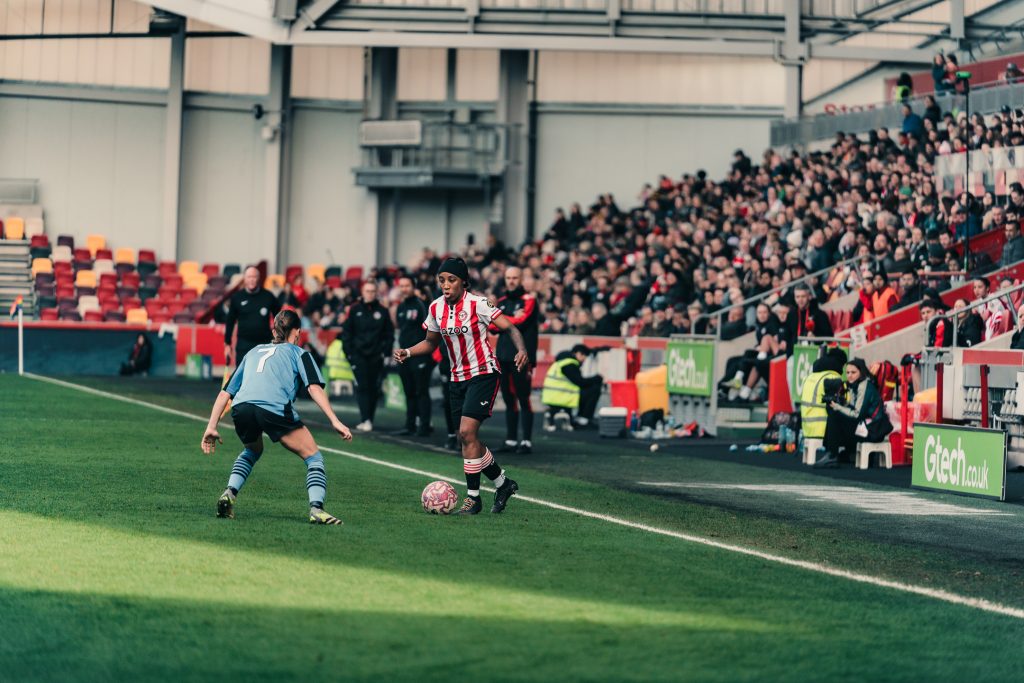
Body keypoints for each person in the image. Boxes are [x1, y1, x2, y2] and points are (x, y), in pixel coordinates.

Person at [393, 257, 528, 515]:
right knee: (466, 438)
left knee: (467, 432)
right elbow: (430, 342)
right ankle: (503, 484)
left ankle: (473, 499)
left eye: (451, 280)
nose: (445, 285)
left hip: (483, 373)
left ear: (463, 282)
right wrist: (408, 352)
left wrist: (521, 350)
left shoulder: (479, 304)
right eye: (441, 280)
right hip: (457, 378)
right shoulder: (435, 307)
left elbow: (510, 328)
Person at [201, 309, 353, 525]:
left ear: (274, 331)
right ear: (297, 332)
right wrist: (334, 421)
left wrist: (211, 426)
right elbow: (314, 388)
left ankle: (229, 493)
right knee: (314, 457)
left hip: (242, 408)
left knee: (252, 449)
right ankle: (317, 509)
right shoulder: (299, 353)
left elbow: (226, 393)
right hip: (273, 408)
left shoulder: (253, 351)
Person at [493, 266, 539, 454]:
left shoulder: (529, 300)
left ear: (521, 279)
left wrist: (502, 319)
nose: (511, 281)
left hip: (522, 357)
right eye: (508, 277)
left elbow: (522, 321)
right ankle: (511, 440)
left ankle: (526, 441)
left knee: (523, 397)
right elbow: (492, 326)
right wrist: (510, 319)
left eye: (514, 278)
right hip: (503, 356)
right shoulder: (502, 301)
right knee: (508, 398)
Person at [814, 358, 892, 468]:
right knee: (834, 413)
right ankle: (834, 453)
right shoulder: (855, 385)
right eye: (847, 373)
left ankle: (832, 455)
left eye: (853, 372)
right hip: (864, 428)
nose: (849, 376)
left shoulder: (865, 386)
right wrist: (841, 403)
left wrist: (838, 407)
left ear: (861, 372)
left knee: (835, 415)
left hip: (873, 431)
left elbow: (857, 414)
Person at [341, 280, 394, 432]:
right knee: (362, 386)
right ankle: (365, 419)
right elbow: (347, 333)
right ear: (362, 292)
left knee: (374, 388)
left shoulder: (383, 311)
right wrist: (349, 353)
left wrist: (386, 353)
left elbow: (389, 334)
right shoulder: (354, 310)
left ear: (376, 293)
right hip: (358, 356)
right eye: (367, 291)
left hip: (376, 356)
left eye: (372, 291)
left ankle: (369, 418)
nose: (370, 294)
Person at [394, 276, 434, 437]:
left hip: (420, 355)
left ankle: (424, 425)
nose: (404, 289)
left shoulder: (421, 305)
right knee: (409, 391)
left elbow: (429, 330)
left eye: (407, 285)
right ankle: (410, 425)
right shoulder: (400, 307)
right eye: (401, 286)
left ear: (413, 287)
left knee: (421, 391)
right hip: (404, 355)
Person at [224, 266, 281, 367]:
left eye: (254, 277)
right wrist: (227, 344)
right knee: (243, 374)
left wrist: (279, 339)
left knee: (263, 374)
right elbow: (230, 322)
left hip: (264, 345)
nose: (252, 279)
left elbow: (280, 319)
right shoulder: (237, 297)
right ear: (244, 279)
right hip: (243, 345)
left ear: (258, 278)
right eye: (249, 277)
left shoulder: (268, 296)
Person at [541, 344, 603, 429]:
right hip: (560, 397)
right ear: (578, 353)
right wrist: (596, 379)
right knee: (594, 389)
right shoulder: (569, 364)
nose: (584, 359)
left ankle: (579, 418)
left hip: (554, 396)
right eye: (583, 355)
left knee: (589, 388)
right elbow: (580, 382)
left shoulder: (561, 362)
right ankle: (583, 419)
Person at [798, 355, 844, 443]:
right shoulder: (832, 377)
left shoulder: (808, 378)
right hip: (824, 431)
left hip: (807, 430)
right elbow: (843, 402)